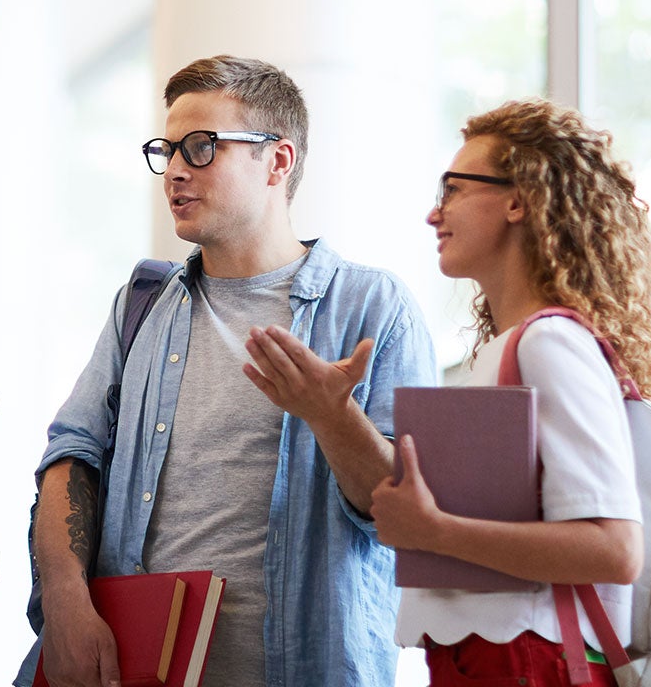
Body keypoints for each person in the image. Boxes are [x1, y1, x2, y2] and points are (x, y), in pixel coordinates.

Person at [24, 55, 437, 687]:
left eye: (201, 146)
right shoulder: (142, 303)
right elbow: (73, 451)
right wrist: (63, 601)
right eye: (168, 150)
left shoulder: (372, 308)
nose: (176, 172)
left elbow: (404, 518)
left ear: (278, 160)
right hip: (138, 668)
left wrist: (332, 416)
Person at [370, 98, 651, 686]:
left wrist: (435, 532)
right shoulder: (514, 348)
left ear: (520, 200)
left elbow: (615, 550)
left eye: (454, 189)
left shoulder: (549, 343)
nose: (435, 215)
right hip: (495, 658)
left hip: (526, 661)